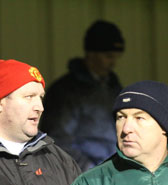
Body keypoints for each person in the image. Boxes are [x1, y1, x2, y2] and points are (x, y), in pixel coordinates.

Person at [40, 20, 125, 171]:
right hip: (85, 178)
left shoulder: (114, 87)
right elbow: (58, 140)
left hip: (114, 174)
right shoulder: (66, 91)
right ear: (91, 54)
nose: (113, 63)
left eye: (116, 57)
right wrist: (91, 171)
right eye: (108, 56)